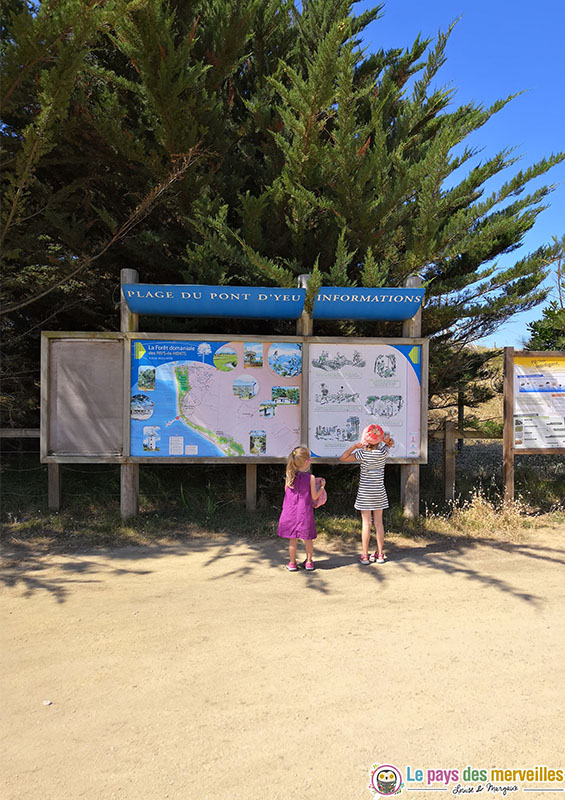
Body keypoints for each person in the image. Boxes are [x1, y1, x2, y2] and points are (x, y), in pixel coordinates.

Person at [339, 423, 394, 565]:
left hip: (365, 493)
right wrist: (384, 440)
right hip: (379, 492)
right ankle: (380, 554)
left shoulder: (362, 454)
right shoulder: (383, 453)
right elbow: (390, 443)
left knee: (366, 524)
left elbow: (343, 458)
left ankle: (364, 555)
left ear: (365, 439)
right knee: (379, 523)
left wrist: (354, 447)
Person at [278, 446, 326, 571]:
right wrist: (321, 487)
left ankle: (292, 563)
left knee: (292, 539)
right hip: (304, 512)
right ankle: (309, 562)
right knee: (307, 538)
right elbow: (314, 496)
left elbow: (286, 493)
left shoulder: (289, 476)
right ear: (307, 461)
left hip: (290, 512)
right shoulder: (310, 478)